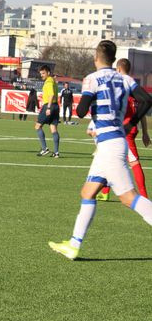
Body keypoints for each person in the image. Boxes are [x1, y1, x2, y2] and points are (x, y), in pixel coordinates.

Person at [48, 40, 152, 260]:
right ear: (113, 59)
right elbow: (147, 100)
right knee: (88, 192)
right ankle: (73, 245)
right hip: (112, 143)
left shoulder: (92, 79)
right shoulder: (125, 79)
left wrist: (91, 100)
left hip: (109, 146)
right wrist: (131, 123)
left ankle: (74, 245)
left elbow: (81, 110)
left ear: (96, 57)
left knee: (129, 198)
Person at [96, 58, 151, 201]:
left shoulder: (121, 87)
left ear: (119, 69)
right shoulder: (134, 88)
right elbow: (141, 112)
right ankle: (105, 191)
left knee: (134, 163)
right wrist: (145, 132)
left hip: (124, 131)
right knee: (110, 160)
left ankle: (144, 196)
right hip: (128, 129)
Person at [35, 65, 60, 158]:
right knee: (53, 128)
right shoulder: (53, 80)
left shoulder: (49, 81)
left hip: (49, 106)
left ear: (48, 73)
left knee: (38, 126)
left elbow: (51, 95)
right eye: (41, 73)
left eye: (43, 73)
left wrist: (48, 108)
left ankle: (44, 148)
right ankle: (56, 152)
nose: (41, 75)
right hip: (56, 106)